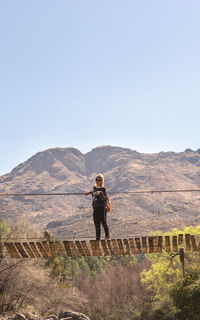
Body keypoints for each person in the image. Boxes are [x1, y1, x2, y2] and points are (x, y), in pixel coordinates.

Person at [84, 174, 110, 241]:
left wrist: (100, 193)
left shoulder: (103, 189)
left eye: (99, 180)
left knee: (103, 222)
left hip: (102, 208)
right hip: (95, 208)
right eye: (97, 179)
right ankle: (97, 239)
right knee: (96, 224)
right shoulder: (94, 188)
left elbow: (104, 198)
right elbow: (93, 193)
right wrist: (89, 193)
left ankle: (107, 236)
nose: (98, 181)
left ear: (102, 181)